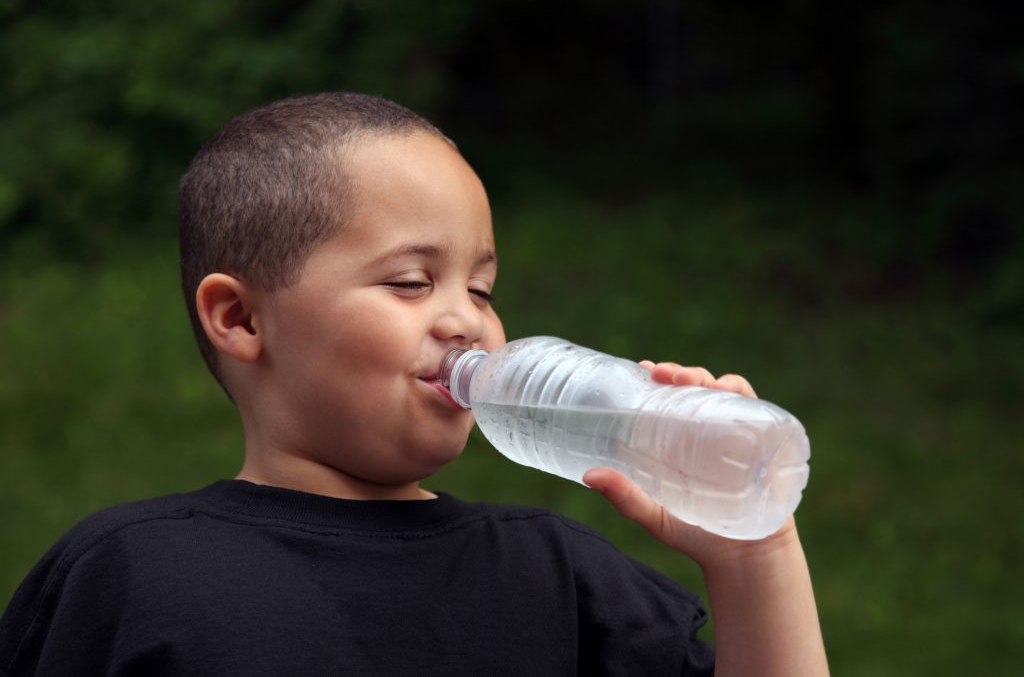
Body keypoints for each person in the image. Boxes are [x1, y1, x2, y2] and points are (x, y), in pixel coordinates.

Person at [0, 92, 828, 676]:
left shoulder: (561, 578)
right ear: (242, 320)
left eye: (482, 288)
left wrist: (756, 556)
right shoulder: (134, 573)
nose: (466, 321)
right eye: (408, 282)